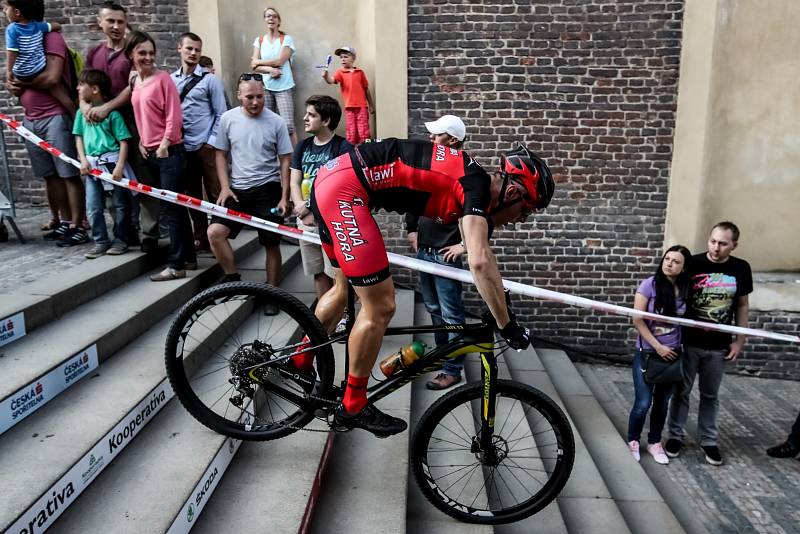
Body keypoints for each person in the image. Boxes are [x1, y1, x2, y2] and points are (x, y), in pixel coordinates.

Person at [290, 140, 554, 437]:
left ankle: (299, 360)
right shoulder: (475, 187)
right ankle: (353, 402)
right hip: (345, 191)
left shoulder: (472, 182)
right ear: (513, 193)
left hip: (331, 180)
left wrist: (498, 301)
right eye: (525, 212)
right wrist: (508, 325)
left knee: (344, 288)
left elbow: (479, 252)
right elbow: (479, 261)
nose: (518, 221)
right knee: (381, 306)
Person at [666, 221, 753, 466]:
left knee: (710, 395)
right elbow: (673, 293)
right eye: (713, 241)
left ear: (734, 245)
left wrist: (739, 340)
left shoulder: (741, 268)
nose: (716, 248)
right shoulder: (692, 263)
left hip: (719, 346)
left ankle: (709, 441)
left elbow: (742, 305)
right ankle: (675, 436)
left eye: (723, 244)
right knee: (681, 391)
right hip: (689, 341)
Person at [4, 0, 89, 247]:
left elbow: (51, 77)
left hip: (54, 116)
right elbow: (17, 76)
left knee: (68, 174)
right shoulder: (20, 35)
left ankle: (78, 224)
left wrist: (20, 81)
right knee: (50, 175)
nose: (3, 12)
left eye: (6, 7)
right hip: (31, 118)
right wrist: (14, 85)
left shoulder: (50, 37)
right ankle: (64, 222)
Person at [207, 73, 292, 309]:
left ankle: (273, 292)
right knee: (215, 233)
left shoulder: (276, 121)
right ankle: (232, 276)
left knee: (271, 243)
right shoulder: (227, 119)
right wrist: (224, 186)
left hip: (268, 188)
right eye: (250, 97)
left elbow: (286, 159)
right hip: (238, 190)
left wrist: (285, 196)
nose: (255, 102)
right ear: (239, 96)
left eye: (260, 97)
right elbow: (220, 153)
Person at [85, 1, 157, 253]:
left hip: (130, 120)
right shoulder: (94, 53)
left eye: (120, 21)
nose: (116, 26)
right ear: (101, 22)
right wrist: (86, 108)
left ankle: (149, 232)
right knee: (111, 182)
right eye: (111, 21)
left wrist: (108, 107)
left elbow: (133, 85)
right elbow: (85, 84)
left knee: (142, 177)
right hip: (102, 129)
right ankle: (123, 234)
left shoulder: (131, 52)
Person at [125, 30, 196, 281]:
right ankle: (188, 257)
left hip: (170, 151)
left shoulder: (163, 78)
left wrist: (165, 142)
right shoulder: (134, 80)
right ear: (131, 54)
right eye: (141, 52)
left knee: (171, 209)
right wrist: (144, 142)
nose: (147, 57)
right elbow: (140, 115)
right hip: (150, 151)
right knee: (174, 206)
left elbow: (173, 115)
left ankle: (176, 264)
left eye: (151, 53)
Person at [406, 115, 468, 390]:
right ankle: (443, 358)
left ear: (452, 140)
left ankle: (453, 370)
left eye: (437, 135)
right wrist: (411, 229)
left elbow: (485, 216)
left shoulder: (467, 172)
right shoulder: (432, 166)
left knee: (451, 315)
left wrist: (464, 246)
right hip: (425, 252)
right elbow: (414, 197)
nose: (431, 139)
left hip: (445, 258)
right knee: (433, 309)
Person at [626, 245, 692, 465]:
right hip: (647, 353)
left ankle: (654, 442)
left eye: (676, 261)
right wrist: (658, 347)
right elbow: (637, 320)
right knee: (643, 403)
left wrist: (674, 349)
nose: (669, 263)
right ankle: (633, 440)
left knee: (662, 404)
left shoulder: (685, 289)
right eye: (667, 258)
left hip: (673, 356)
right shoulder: (649, 285)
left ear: (683, 268)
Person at [290, 95, 353, 300]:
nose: (305, 118)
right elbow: (294, 181)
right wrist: (300, 206)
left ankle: (343, 317)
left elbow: (339, 188)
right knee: (317, 271)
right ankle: (323, 323)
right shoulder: (302, 146)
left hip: (330, 222)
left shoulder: (343, 148)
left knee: (336, 273)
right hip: (305, 220)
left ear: (326, 120)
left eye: (311, 115)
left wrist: (310, 208)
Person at [172, 32, 227, 253]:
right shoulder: (171, 80)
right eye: (189, 49)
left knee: (215, 193)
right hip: (183, 146)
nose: (193, 53)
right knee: (192, 194)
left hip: (206, 145)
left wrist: (211, 142)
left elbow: (220, 113)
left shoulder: (210, 80)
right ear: (180, 49)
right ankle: (200, 237)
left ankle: (221, 239)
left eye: (197, 49)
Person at [73, 68, 134, 259]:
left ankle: (121, 239)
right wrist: (82, 160)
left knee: (120, 205)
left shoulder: (113, 115)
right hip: (92, 167)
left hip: (111, 164)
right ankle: (100, 240)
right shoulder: (80, 115)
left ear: (95, 89)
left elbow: (124, 141)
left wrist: (119, 166)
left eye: (81, 85)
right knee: (93, 206)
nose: (77, 88)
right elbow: (79, 138)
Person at [3, 0, 73, 114]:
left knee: (18, 80)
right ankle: (75, 113)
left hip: (50, 115)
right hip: (38, 67)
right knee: (58, 91)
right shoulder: (38, 27)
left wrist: (10, 72)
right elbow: (56, 25)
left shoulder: (12, 29)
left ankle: (77, 119)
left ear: (17, 12)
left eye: (6, 8)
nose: (4, 11)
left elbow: (12, 51)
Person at [250, 6, 297, 145]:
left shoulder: (286, 39)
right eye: (268, 16)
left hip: (284, 86)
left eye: (274, 16)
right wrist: (270, 70)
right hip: (266, 87)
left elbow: (279, 61)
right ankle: (273, 159)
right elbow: (254, 67)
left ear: (278, 21)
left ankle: (295, 162)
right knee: (267, 125)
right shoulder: (259, 40)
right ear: (265, 19)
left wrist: (258, 61)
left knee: (288, 126)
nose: (271, 18)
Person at [322, 45, 374, 146]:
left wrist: (371, 106)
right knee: (351, 132)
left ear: (353, 58)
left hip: (362, 107)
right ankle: (352, 153)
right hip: (349, 108)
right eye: (341, 57)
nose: (343, 59)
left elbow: (366, 89)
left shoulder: (360, 73)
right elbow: (331, 80)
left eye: (346, 57)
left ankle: (366, 151)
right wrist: (325, 76)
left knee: (364, 132)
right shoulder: (340, 73)